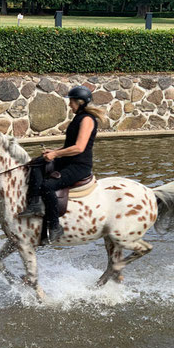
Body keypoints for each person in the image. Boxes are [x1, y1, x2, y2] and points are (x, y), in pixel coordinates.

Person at [19, 85, 106, 242]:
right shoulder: (79, 117)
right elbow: (69, 145)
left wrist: (56, 154)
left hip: (79, 166)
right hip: (67, 159)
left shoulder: (87, 120)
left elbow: (79, 148)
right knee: (37, 163)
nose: (69, 104)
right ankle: (35, 203)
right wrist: (53, 151)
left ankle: (54, 226)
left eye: (71, 101)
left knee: (48, 186)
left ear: (80, 102)